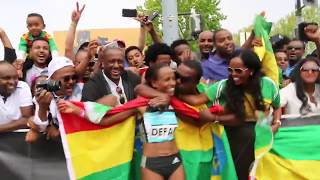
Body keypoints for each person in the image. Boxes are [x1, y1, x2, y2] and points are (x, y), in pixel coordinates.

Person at [60, 63, 185, 180]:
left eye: (174, 79)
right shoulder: (141, 105)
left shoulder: (176, 102)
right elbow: (107, 120)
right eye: (167, 79)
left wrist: (167, 98)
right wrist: (77, 110)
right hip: (152, 165)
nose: (172, 83)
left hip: (175, 161)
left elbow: (196, 111)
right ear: (154, 83)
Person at [182, 49, 281, 180]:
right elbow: (196, 100)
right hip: (230, 134)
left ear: (251, 71)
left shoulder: (268, 85)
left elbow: (277, 106)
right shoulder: (224, 85)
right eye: (230, 70)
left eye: (238, 71)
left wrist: (277, 123)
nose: (233, 74)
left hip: (261, 135)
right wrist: (171, 93)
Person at [27, 56, 82, 142]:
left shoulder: (82, 91)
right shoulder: (43, 95)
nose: (71, 81)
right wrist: (43, 107)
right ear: (52, 80)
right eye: (66, 78)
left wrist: (60, 130)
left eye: (74, 77)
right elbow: (40, 127)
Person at [0, 61, 33, 132]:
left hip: (18, 136)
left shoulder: (23, 87)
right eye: (7, 78)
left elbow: (27, 119)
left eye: (15, 77)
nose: (12, 82)